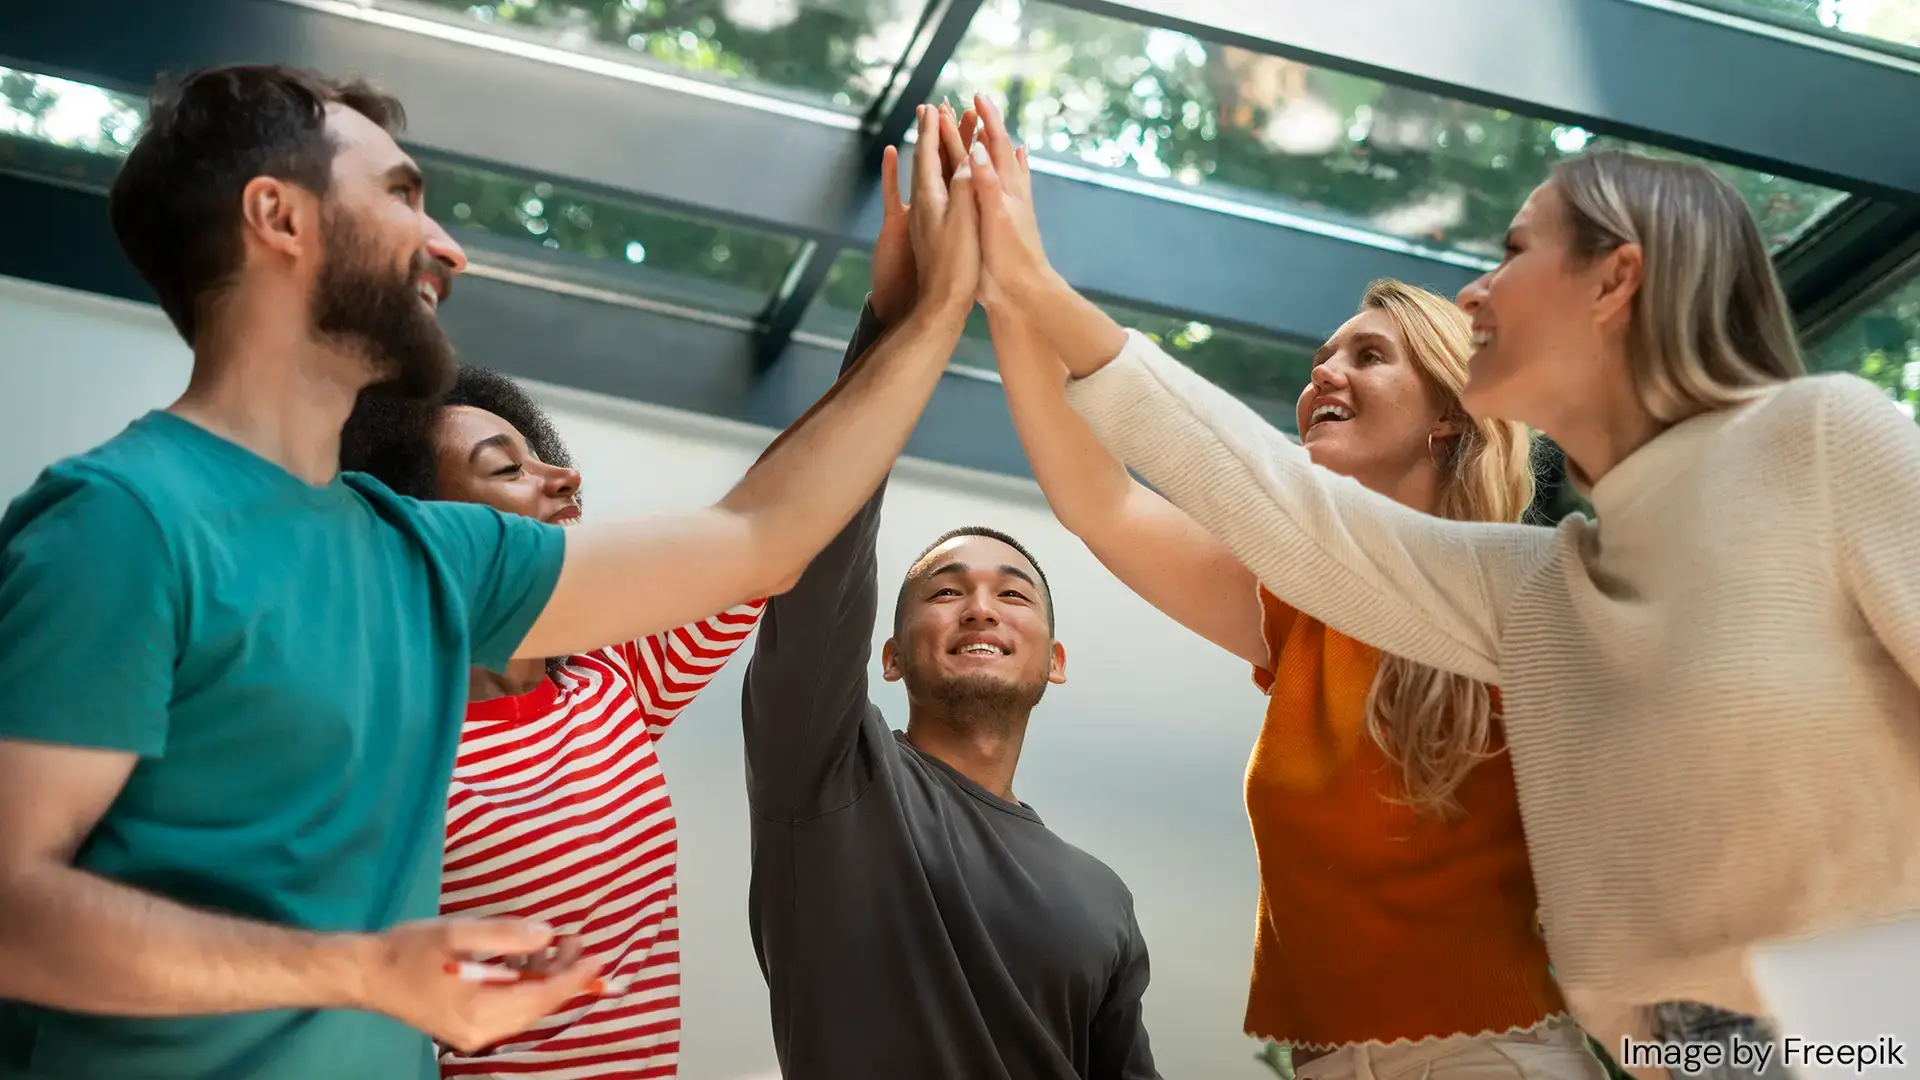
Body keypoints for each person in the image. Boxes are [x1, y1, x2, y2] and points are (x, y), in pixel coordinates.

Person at [0, 63, 979, 1079]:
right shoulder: (121, 524)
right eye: (400, 195)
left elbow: (762, 536)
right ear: (277, 216)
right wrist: (361, 971)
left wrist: (930, 315)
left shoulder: (429, 554)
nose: (448, 246)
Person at [958, 91, 1920, 1074]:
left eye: (1512, 249)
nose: (1474, 293)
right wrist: (1023, 295)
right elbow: (1270, 502)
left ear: (1616, 278)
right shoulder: (1540, 591)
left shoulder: (1821, 442)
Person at [990, 272, 1607, 1080]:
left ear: (1452, 412)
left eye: (1369, 354)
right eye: (1321, 357)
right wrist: (1003, 298)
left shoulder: (1521, 606)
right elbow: (1101, 503)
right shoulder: (1300, 612)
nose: (1323, 372)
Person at [737, 117, 1158, 1080]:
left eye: (1015, 593)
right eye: (943, 591)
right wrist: (899, 322)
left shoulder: (1101, 899)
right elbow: (823, 561)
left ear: (1054, 660)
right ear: (887, 656)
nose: (979, 607)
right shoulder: (827, 777)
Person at [339, 366, 764, 1079]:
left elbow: (781, 519)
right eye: (508, 468)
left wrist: (895, 320)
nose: (563, 476)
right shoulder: (386, 747)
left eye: (537, 452)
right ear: (426, 530)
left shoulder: (614, 675)